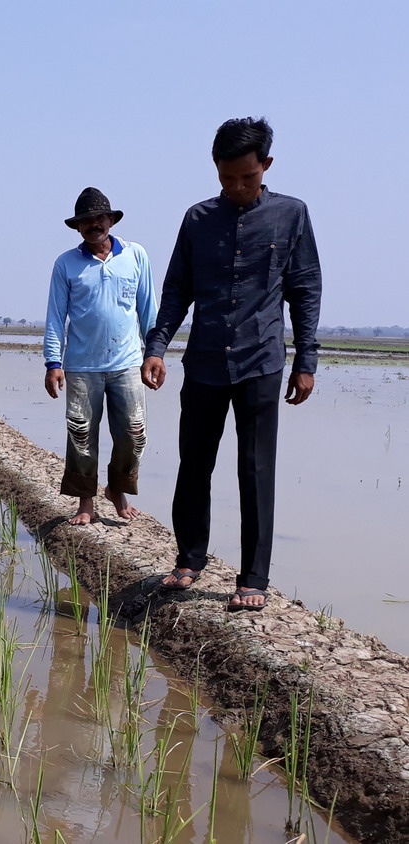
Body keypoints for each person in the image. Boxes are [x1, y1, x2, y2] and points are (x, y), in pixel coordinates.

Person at [143, 117, 322, 611]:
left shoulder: (291, 215)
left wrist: (305, 361)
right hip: (203, 363)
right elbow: (177, 288)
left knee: (255, 469)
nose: (238, 187)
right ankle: (189, 559)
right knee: (194, 464)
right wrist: (157, 346)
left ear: (265, 165)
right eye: (227, 179)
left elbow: (304, 291)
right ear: (216, 171)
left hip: (260, 361)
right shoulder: (198, 219)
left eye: (247, 177)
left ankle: (254, 579)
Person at [43, 187, 157, 525]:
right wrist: (53, 363)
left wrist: (155, 353)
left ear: (111, 220)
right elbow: (54, 317)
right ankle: (85, 501)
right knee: (80, 433)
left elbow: (148, 308)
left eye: (99, 218)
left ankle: (117, 488)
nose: (94, 225)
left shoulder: (135, 255)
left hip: (127, 363)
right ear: (78, 227)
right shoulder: (66, 264)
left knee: (134, 433)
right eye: (86, 221)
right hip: (81, 365)